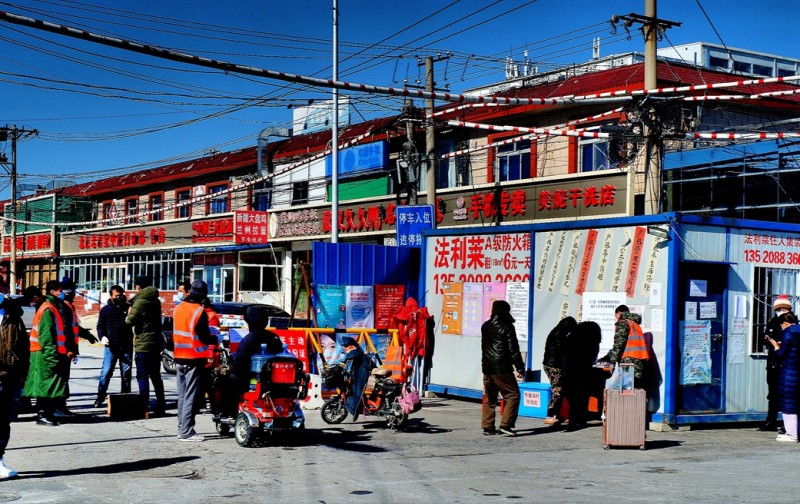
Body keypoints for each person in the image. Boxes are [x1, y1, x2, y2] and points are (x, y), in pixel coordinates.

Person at [173, 280, 216, 442]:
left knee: (183, 395)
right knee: (191, 395)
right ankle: (187, 432)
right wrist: (215, 337)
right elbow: (204, 337)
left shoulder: (178, 308)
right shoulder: (199, 311)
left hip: (178, 356)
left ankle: (181, 428)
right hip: (194, 358)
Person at [23, 280, 69, 427]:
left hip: (42, 353)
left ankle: (46, 413)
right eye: (59, 290)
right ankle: (43, 415)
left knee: (47, 385)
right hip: (43, 354)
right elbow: (47, 337)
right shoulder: (47, 309)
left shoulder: (48, 308)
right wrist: (52, 358)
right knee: (46, 386)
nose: (62, 293)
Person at [480, 300, 525, 437]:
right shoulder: (507, 327)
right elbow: (513, 350)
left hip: (487, 367)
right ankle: (506, 425)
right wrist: (520, 367)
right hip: (502, 367)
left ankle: (488, 426)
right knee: (513, 395)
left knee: (490, 397)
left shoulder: (485, 326)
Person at [126, 274, 166, 417]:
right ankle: (161, 405)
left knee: (142, 376)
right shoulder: (155, 300)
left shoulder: (140, 301)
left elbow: (129, 322)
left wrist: (127, 315)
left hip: (143, 343)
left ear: (138, 287)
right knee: (156, 376)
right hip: (156, 343)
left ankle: (145, 407)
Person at [0, 294, 29, 478]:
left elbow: (23, 350)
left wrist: (22, 379)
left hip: (7, 378)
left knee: (2, 421)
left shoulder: (13, 317)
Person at [94, 285, 133, 408]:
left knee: (126, 374)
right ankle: (100, 397)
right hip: (111, 347)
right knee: (106, 372)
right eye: (116, 295)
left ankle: (126, 398)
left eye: (121, 295)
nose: (119, 297)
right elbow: (100, 326)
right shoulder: (105, 310)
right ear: (111, 296)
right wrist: (102, 337)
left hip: (126, 345)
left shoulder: (127, 308)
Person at [766, 312, 800, 442]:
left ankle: (791, 435)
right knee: (797, 404)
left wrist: (775, 346)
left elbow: (781, 354)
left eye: (781, 326)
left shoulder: (788, 332)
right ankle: (797, 433)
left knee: (788, 403)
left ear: (784, 323)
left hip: (789, 372)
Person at [561, 320, 602, 431]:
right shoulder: (592, 340)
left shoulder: (572, 338)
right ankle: (579, 419)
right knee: (582, 396)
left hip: (569, 370)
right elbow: (592, 357)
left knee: (573, 397)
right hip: (583, 371)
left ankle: (573, 419)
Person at [761, 294, 792, 433]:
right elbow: (764, 340)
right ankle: (771, 421)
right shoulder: (772, 322)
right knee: (772, 393)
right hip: (773, 362)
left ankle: (788, 425)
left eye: (784, 309)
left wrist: (779, 343)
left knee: (788, 394)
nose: (781, 311)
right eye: (779, 309)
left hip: (787, 364)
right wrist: (768, 340)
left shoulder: (793, 323)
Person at [602, 305, 648, 389]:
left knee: (619, 390)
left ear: (619, 313)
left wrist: (612, 362)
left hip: (628, 362)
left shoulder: (623, 322)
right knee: (634, 390)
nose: (616, 319)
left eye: (616, 317)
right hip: (639, 362)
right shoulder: (634, 324)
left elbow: (619, 343)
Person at [542, 316, 577, 426]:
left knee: (561, 390)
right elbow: (563, 348)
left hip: (551, 364)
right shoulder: (559, 334)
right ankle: (550, 415)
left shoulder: (557, 331)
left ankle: (558, 415)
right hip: (554, 365)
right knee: (557, 390)